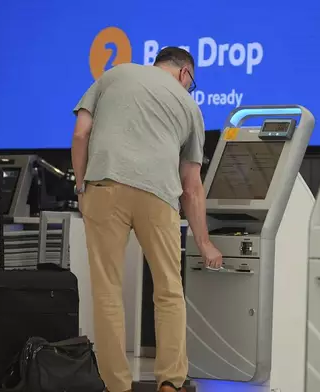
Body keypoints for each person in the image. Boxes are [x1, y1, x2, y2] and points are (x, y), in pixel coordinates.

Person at [70, 47, 223, 392]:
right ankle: (170, 383)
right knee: (169, 290)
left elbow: (81, 134)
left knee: (107, 291)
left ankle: (117, 385)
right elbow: (191, 186)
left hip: (105, 184)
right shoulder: (190, 107)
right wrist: (204, 241)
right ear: (185, 74)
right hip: (158, 194)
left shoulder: (114, 75)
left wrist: (81, 186)